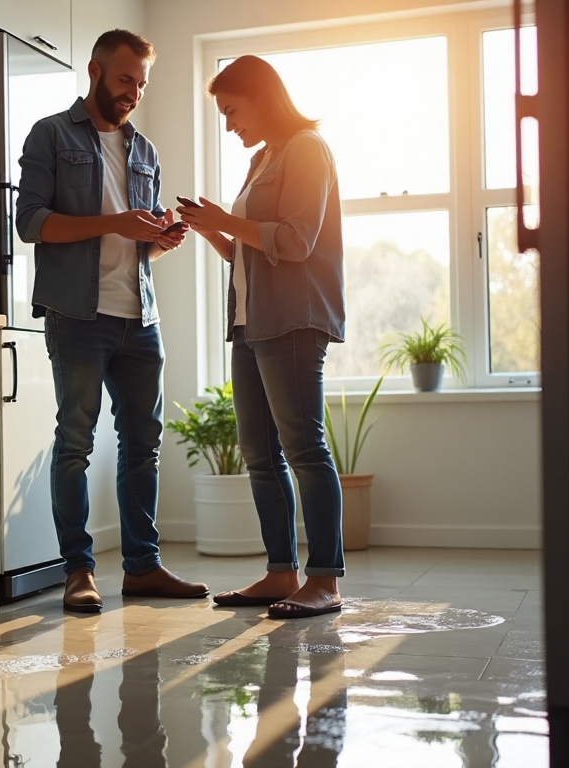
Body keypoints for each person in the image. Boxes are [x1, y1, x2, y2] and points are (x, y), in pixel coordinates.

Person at [15, 29, 208, 613]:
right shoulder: (51, 134)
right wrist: (115, 223)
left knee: (143, 446)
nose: (134, 93)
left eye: (142, 84)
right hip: (78, 315)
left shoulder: (144, 150)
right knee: (75, 443)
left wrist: (157, 241)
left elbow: (134, 243)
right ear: (95, 70)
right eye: (126, 79)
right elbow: (31, 223)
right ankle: (78, 571)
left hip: (140, 317)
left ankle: (143, 568)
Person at [177, 55, 346, 619]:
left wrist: (225, 221)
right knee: (258, 452)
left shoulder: (307, 149)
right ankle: (280, 572)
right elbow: (249, 251)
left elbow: (296, 241)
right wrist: (210, 230)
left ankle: (324, 580)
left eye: (232, 111)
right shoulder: (262, 159)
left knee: (304, 447)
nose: (229, 125)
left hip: (294, 319)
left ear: (261, 97)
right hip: (250, 322)